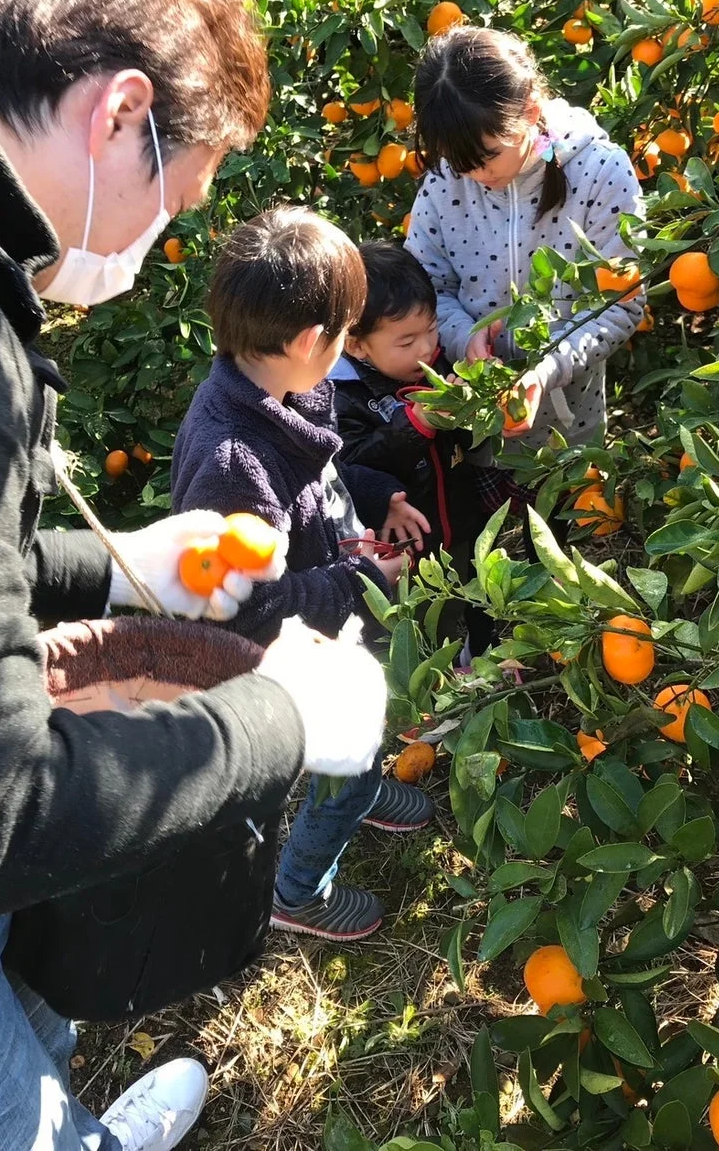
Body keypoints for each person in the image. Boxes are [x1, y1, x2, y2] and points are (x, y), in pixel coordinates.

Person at [0, 0, 385, 1151]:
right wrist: (279, 719)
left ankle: (56, 1087)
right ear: (118, 114)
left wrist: (112, 563)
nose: (157, 240)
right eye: (181, 193)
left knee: (21, 1012)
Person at [172, 207, 435, 942]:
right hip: (291, 647)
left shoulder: (290, 388)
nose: (351, 345)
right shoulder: (231, 463)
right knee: (343, 757)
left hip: (331, 600)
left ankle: (366, 777)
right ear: (309, 340)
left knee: (370, 721)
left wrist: (381, 497)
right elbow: (242, 607)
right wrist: (359, 585)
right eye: (347, 331)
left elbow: (323, 473)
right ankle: (298, 890)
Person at [405, 26, 645, 449]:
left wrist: (545, 367)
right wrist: (464, 336)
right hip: (471, 436)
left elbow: (621, 305)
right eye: (457, 162)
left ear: (531, 111)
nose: (473, 176)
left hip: (569, 439)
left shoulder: (600, 173)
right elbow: (425, 290)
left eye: (486, 157)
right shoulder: (447, 179)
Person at [331, 239, 497, 655]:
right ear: (356, 344)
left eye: (432, 329)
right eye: (406, 342)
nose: (425, 348)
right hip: (408, 546)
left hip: (460, 521)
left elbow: (462, 446)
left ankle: (482, 655)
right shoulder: (340, 394)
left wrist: (470, 405)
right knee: (424, 617)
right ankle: (432, 678)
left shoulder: (433, 365)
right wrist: (414, 425)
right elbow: (348, 465)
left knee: (478, 592)